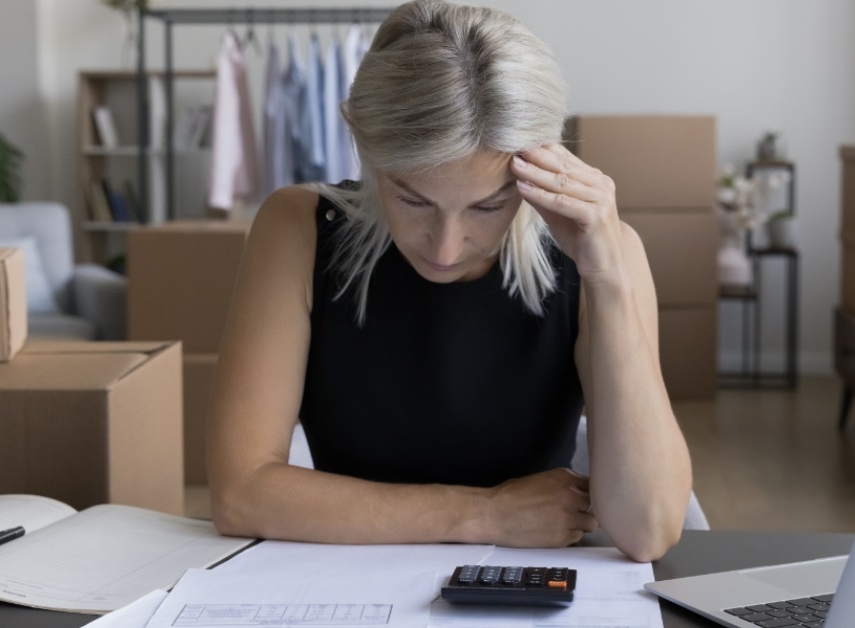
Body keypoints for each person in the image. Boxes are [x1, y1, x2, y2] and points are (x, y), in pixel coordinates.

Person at [208, 0, 692, 563]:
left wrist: (607, 277)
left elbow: (649, 528)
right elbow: (240, 494)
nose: (445, 247)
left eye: (488, 206)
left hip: (527, 591)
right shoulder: (298, 230)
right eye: (412, 199)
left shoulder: (601, 255)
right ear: (368, 152)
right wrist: (485, 514)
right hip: (346, 580)